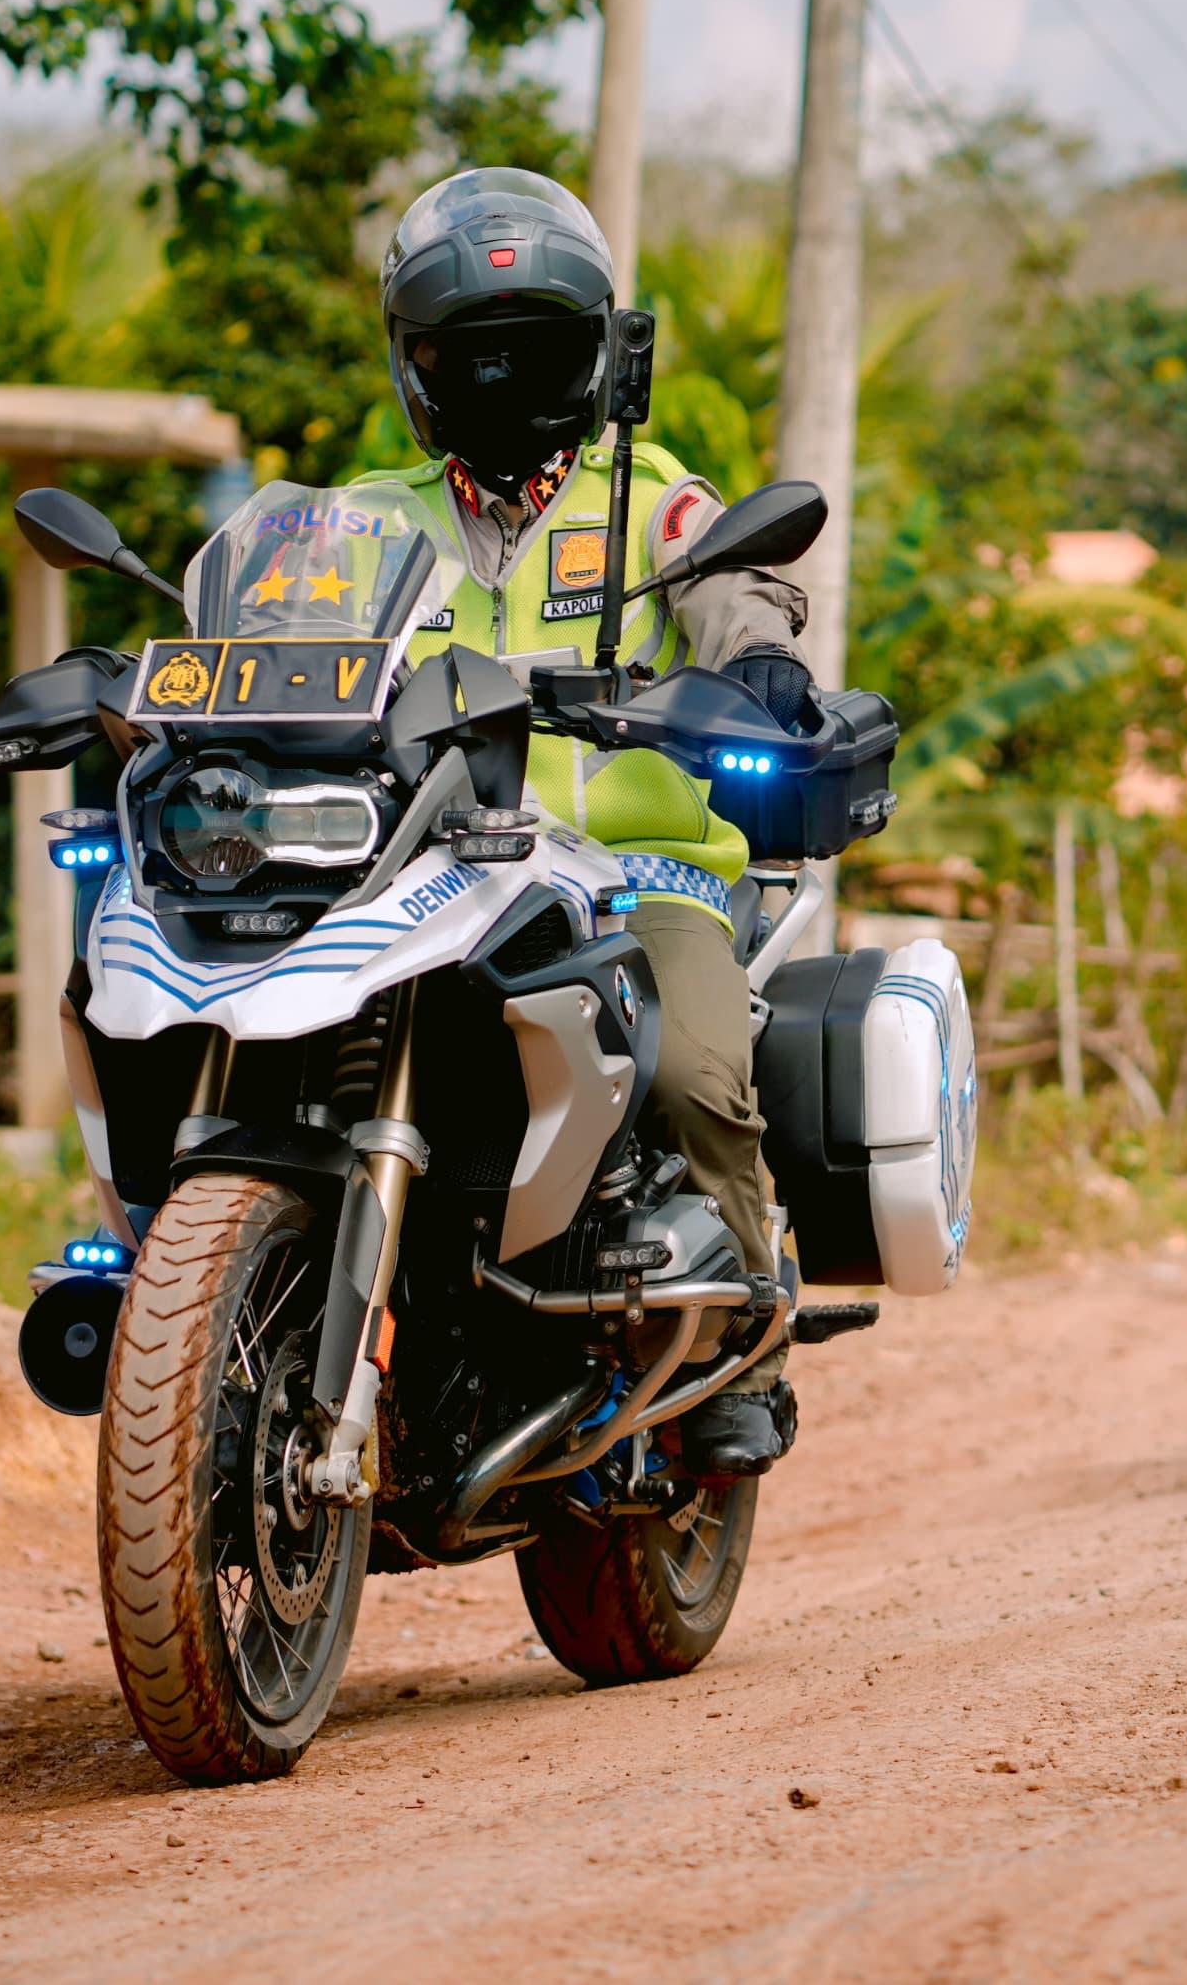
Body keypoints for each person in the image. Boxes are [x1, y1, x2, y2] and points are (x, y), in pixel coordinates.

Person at [366, 167, 823, 1475]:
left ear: (594, 352)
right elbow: (265, 621)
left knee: (684, 1068)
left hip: (640, 874)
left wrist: (759, 659)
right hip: (429, 870)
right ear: (421, 361)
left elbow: (737, 577)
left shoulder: (652, 497)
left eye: (536, 349)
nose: (501, 380)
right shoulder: (367, 517)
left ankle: (744, 1330)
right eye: (471, 351)